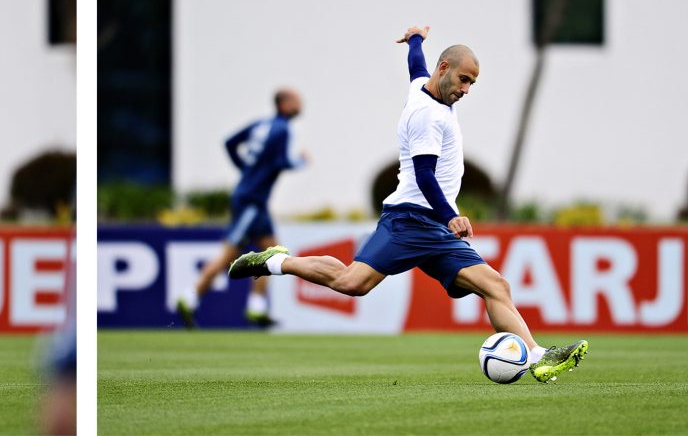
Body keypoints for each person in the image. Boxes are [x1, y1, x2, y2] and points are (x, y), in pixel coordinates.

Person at [228, 25, 588, 383]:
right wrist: (452, 216)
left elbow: (417, 67)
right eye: (463, 79)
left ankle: (539, 357)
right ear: (444, 68)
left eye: (472, 84)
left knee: (496, 285)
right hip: (409, 221)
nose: (465, 90)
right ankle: (276, 261)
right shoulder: (427, 116)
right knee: (353, 283)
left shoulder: (424, 87)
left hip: (433, 227)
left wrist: (415, 40)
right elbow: (424, 175)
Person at [175, 88, 307, 329]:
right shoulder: (283, 128)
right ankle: (190, 297)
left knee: (272, 251)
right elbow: (280, 162)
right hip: (252, 200)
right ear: (284, 104)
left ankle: (256, 307)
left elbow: (229, 143)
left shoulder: (262, 124)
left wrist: (244, 168)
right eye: (297, 100)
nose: (301, 104)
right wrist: (300, 162)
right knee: (228, 254)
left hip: (251, 197)